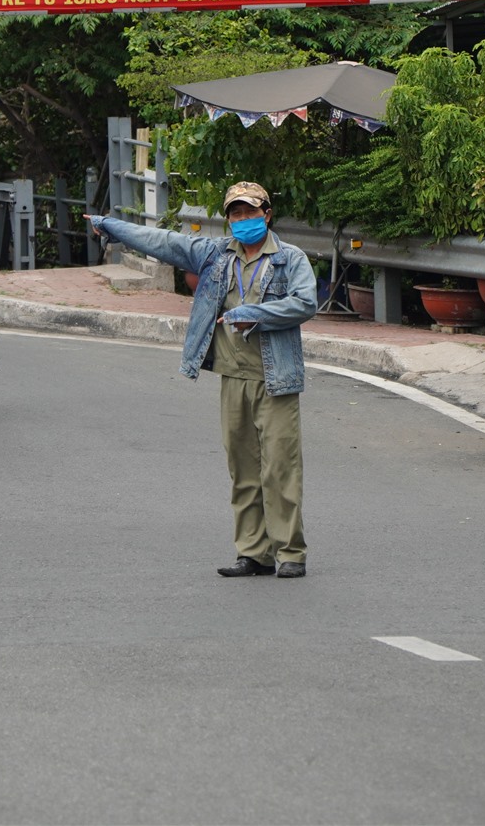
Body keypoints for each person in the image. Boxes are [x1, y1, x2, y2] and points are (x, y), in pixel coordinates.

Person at [88, 182, 318, 579]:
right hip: (232, 377)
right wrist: (110, 226)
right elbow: (162, 241)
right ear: (228, 220)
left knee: (279, 468)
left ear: (267, 213)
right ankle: (253, 552)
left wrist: (257, 314)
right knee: (242, 468)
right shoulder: (215, 255)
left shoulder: (289, 259)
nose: (243, 220)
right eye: (235, 214)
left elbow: (305, 302)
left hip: (275, 377)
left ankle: (290, 552)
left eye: (250, 212)